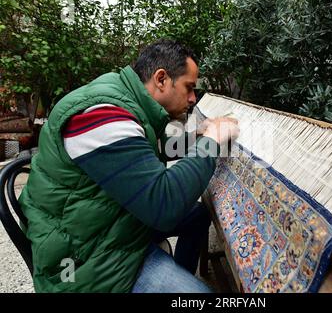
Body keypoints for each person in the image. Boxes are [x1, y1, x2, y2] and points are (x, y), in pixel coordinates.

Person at [18, 39, 239, 293]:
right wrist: (212, 140)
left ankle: (178, 273)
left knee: (197, 215)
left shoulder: (129, 100)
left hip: (107, 222)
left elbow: (150, 143)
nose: (192, 99)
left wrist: (196, 134)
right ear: (161, 79)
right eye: (189, 88)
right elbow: (163, 204)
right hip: (85, 258)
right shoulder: (101, 116)